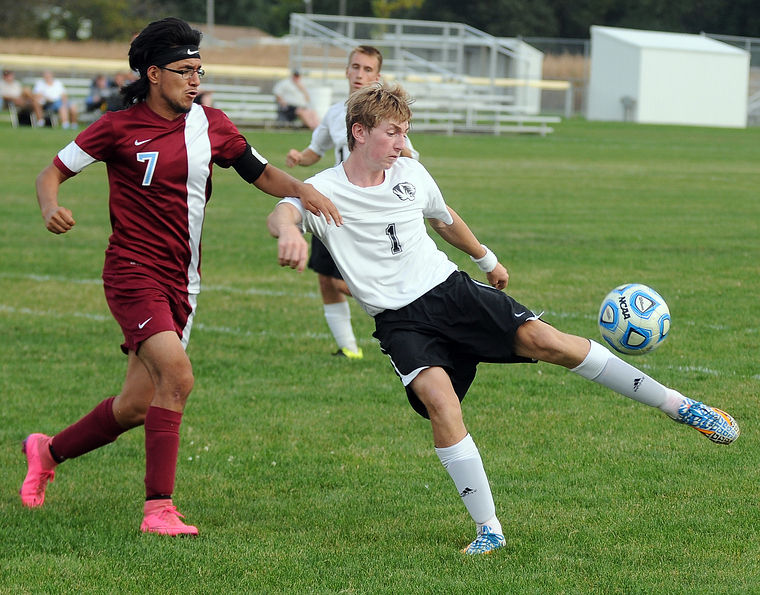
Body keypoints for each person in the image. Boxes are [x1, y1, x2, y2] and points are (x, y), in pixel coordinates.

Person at [267, 81, 740, 555]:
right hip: (400, 321)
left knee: (549, 341)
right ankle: (489, 528)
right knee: (440, 400)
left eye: (405, 132)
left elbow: (442, 216)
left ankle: (680, 406)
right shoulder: (322, 190)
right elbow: (281, 214)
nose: (402, 142)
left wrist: (486, 258)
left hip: (449, 292)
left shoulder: (410, 170)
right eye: (393, 132)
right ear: (360, 132)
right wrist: (291, 234)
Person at [21, 17, 340, 537]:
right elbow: (50, 171)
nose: (196, 79)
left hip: (183, 280)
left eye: (199, 69)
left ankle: (46, 450)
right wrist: (50, 206)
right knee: (179, 378)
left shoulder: (212, 124)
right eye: (184, 70)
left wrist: (303, 190)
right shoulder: (117, 126)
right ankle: (158, 510)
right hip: (131, 271)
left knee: (136, 406)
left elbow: (260, 172)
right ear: (153, 73)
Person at [285, 46, 419, 359]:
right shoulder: (335, 113)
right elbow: (315, 151)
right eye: (355, 67)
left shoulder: (383, 117)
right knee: (325, 277)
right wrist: (298, 157)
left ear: (378, 76)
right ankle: (348, 348)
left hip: (372, 207)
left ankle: (403, 305)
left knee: (345, 278)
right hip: (334, 204)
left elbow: (408, 153)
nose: (360, 74)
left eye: (368, 69)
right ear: (346, 71)